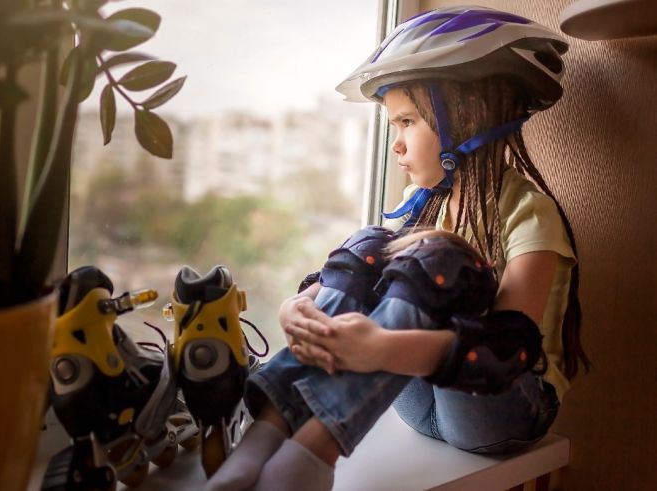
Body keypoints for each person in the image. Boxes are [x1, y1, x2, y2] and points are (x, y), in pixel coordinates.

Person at [206, 6, 589, 491]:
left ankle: (310, 459)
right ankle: (262, 442)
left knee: (440, 258)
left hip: (498, 413)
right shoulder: (416, 203)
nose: (397, 145)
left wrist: (380, 347)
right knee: (373, 245)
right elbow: (352, 277)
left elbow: (504, 352)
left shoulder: (528, 211)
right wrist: (297, 307)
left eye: (407, 122)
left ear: (468, 117)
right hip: (417, 400)